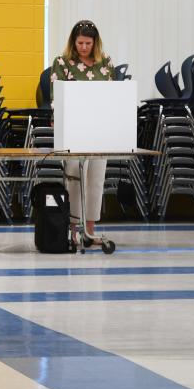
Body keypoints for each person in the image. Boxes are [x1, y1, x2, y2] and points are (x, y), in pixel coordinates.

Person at [51, 20, 113, 242]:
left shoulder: (105, 62)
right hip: (73, 129)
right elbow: (56, 97)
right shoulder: (62, 62)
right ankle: (74, 230)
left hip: (99, 127)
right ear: (73, 42)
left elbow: (109, 94)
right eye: (80, 43)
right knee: (75, 178)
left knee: (96, 179)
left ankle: (91, 230)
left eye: (88, 43)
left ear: (95, 43)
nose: (84, 47)